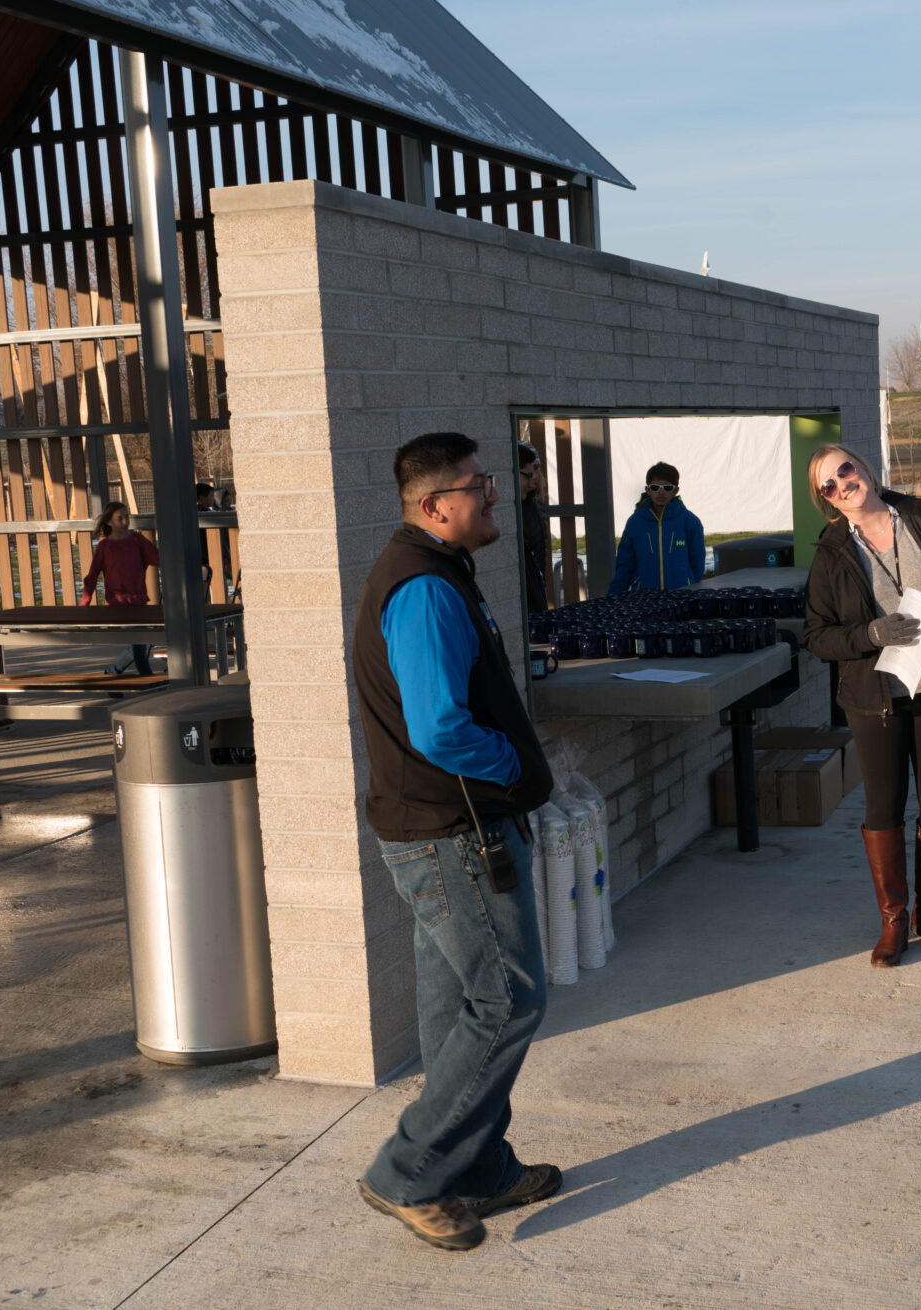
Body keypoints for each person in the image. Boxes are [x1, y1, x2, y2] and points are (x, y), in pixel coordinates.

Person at [350, 431, 560, 1252]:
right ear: (436, 506)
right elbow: (439, 728)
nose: (496, 493)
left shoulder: (437, 573)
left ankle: (477, 1169)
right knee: (510, 1000)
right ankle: (407, 1173)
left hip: (443, 831)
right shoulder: (426, 589)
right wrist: (516, 767)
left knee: (454, 1013)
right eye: (480, 485)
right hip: (455, 835)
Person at [802, 444, 921, 968]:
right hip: (874, 699)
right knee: (884, 808)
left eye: (845, 470)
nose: (843, 484)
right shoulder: (832, 553)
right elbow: (817, 636)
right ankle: (893, 921)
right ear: (827, 500)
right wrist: (870, 634)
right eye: (829, 485)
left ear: (864, 467)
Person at [78, 501, 160, 675]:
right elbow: (92, 575)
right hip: (118, 604)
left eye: (127, 517)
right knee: (139, 643)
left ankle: (114, 672)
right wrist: (85, 601)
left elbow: (157, 558)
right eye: (119, 518)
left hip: (139, 601)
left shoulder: (137, 540)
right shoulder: (104, 547)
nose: (125, 521)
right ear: (109, 522)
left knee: (139, 643)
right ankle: (148, 680)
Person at [607, 461, 704, 594]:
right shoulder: (635, 522)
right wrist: (612, 596)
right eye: (655, 487)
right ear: (647, 490)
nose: (661, 492)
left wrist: (691, 588)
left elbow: (697, 563)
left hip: (681, 597)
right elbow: (625, 565)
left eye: (667, 488)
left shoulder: (690, 521)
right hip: (644, 598)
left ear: (676, 490)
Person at [517, 442, 552, 613]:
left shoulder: (534, 502)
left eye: (537, 469)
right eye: (530, 473)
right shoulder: (520, 506)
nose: (535, 477)